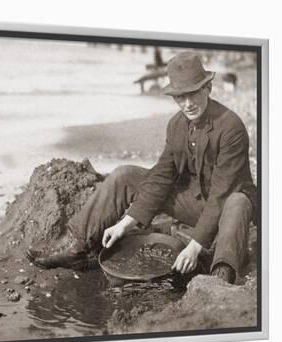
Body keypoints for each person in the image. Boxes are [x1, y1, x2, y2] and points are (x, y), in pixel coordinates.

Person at [26, 51, 256, 284]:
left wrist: (194, 247)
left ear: (208, 88)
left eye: (194, 93)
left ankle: (221, 273)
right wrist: (126, 223)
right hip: (194, 204)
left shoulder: (231, 127)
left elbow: (221, 195)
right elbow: (162, 176)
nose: (187, 104)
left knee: (238, 201)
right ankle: (76, 246)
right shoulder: (176, 125)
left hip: (228, 210)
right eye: (180, 96)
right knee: (125, 174)